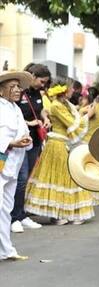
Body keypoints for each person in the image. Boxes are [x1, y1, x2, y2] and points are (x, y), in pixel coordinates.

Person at [25, 78, 94, 225]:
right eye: (70, 88)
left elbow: (67, 116)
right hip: (57, 144)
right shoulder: (57, 105)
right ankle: (60, 214)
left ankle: (63, 213)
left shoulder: (63, 104)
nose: (72, 91)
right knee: (61, 178)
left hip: (62, 144)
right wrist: (88, 115)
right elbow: (72, 123)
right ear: (64, 90)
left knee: (63, 178)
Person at [11, 63, 51, 233]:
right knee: (18, 181)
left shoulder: (36, 93)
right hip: (16, 142)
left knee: (26, 179)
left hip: (34, 140)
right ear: (32, 76)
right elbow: (13, 115)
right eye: (42, 81)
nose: (43, 86)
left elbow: (39, 109)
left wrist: (44, 117)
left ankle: (21, 214)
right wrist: (29, 123)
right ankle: (14, 217)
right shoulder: (18, 93)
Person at [0, 70, 33, 261]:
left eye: (18, 86)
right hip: (3, 159)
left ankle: (6, 249)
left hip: (13, 163)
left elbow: (22, 131)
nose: (17, 90)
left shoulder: (16, 108)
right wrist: (12, 143)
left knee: (6, 207)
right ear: (2, 91)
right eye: (11, 87)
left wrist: (26, 139)